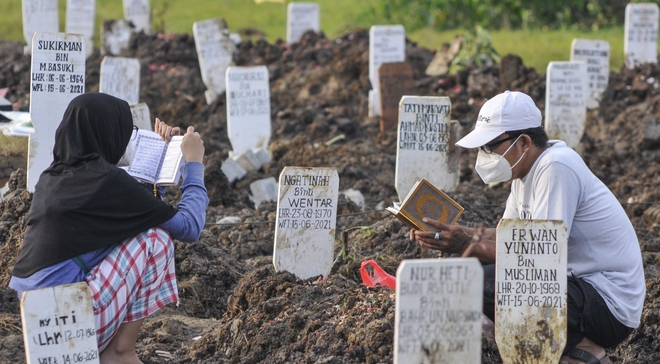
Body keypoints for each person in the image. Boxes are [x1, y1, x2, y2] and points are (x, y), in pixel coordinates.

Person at [410, 91, 645, 364]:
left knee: (484, 282)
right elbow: (506, 239)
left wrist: (465, 243)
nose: (483, 155)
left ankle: (583, 350)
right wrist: (452, 233)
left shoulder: (556, 167)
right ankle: (543, 341)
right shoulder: (524, 174)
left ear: (523, 142)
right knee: (464, 266)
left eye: (489, 146)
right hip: (573, 290)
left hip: (608, 305)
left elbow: (540, 259)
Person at [9, 93, 209, 364]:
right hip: (70, 319)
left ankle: (111, 351)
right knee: (156, 239)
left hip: (37, 326)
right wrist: (194, 164)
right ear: (108, 133)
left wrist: (167, 154)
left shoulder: (56, 175)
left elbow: (140, 209)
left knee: (142, 231)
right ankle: (119, 352)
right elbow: (189, 227)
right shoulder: (109, 183)